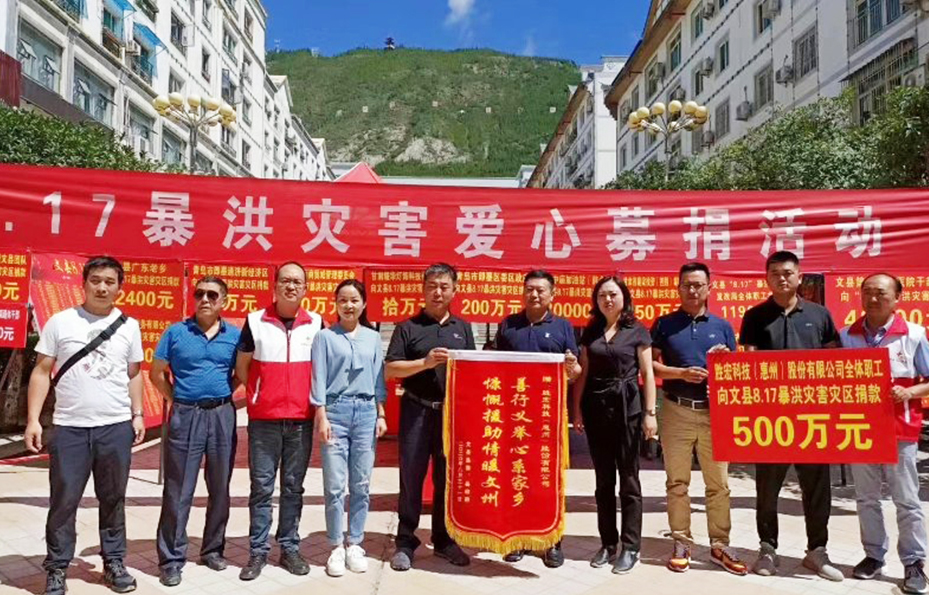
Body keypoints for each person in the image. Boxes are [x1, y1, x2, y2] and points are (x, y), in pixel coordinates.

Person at [24, 256, 145, 595]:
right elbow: (41, 371)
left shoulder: (129, 326)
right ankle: (57, 567)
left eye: (109, 281)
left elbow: (134, 374)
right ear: (84, 283)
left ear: (119, 288)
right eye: (95, 280)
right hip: (70, 428)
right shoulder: (61, 322)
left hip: (114, 427)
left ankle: (114, 562)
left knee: (113, 498)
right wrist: (33, 420)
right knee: (64, 500)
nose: (102, 287)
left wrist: (137, 414)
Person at [739, 250, 842, 581]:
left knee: (817, 488)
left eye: (787, 272)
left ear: (799, 276)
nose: (782, 278)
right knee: (767, 489)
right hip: (772, 419)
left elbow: (834, 363)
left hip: (812, 416)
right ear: (766, 278)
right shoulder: (755, 316)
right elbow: (749, 365)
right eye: (775, 273)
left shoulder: (820, 315)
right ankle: (767, 548)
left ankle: (817, 551)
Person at [650, 262, 745, 575]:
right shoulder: (664, 325)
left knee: (719, 484)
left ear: (709, 288)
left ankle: (720, 544)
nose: (692, 290)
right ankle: (681, 541)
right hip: (675, 410)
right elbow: (650, 367)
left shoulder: (722, 326)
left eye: (698, 285)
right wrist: (681, 374)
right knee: (677, 482)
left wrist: (724, 363)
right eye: (687, 285)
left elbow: (735, 372)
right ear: (678, 288)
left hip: (713, 413)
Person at [840, 273, 929, 595]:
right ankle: (874, 555)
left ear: (897, 298)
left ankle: (914, 562)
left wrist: (910, 392)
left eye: (880, 292)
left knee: (906, 499)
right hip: (860, 429)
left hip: (899, 429)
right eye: (867, 292)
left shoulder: (914, 334)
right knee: (866, 497)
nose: (873, 298)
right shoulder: (846, 335)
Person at [235, 261, 323, 580]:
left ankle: (289, 548)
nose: (291, 286)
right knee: (261, 487)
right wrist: (259, 394)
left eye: (297, 281)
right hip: (264, 420)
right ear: (274, 285)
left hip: (301, 419)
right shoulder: (255, 321)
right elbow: (242, 365)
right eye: (285, 280)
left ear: (305, 289)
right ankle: (258, 551)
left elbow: (321, 367)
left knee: (292, 487)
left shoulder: (316, 323)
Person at [151, 276, 241, 587]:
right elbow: (157, 373)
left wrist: (223, 395)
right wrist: (177, 399)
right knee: (179, 488)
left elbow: (241, 373)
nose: (204, 299)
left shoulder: (235, 336)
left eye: (212, 295)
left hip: (221, 414)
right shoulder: (176, 333)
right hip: (186, 415)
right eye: (199, 293)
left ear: (224, 301)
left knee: (220, 486)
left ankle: (213, 549)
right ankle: (171, 559)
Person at [386, 263, 476, 571]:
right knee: (411, 476)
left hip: (450, 414)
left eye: (444, 286)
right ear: (423, 290)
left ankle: (444, 538)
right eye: (432, 286)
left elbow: (472, 370)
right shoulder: (407, 327)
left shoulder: (463, 328)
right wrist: (424, 363)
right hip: (416, 410)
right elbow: (390, 369)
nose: (438, 292)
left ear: (454, 290)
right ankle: (405, 540)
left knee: (447, 478)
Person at [494, 269, 581, 568]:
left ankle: (552, 541)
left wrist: (572, 367)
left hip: (548, 416)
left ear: (552, 295)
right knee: (515, 477)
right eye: (529, 289)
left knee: (548, 478)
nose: (534, 294)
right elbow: (495, 366)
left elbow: (575, 372)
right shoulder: (508, 325)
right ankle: (517, 538)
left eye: (540, 290)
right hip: (514, 415)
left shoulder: (563, 327)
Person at [573, 275, 657, 574]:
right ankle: (608, 543)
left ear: (624, 298)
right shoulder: (591, 331)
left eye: (613, 294)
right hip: (596, 409)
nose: (607, 300)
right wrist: (576, 410)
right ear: (595, 301)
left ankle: (630, 546)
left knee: (629, 480)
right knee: (603, 481)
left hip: (627, 410)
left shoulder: (637, 330)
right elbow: (583, 372)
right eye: (602, 295)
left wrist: (650, 413)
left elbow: (647, 373)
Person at [311, 279, 388, 578]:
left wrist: (380, 414)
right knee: (334, 485)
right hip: (336, 411)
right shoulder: (325, 337)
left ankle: (355, 542)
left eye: (354, 300)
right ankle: (335, 545)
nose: (348, 305)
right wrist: (322, 416)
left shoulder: (372, 337)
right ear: (336, 303)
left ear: (364, 304)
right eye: (343, 300)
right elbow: (318, 377)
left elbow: (378, 377)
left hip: (366, 412)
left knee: (361, 483)